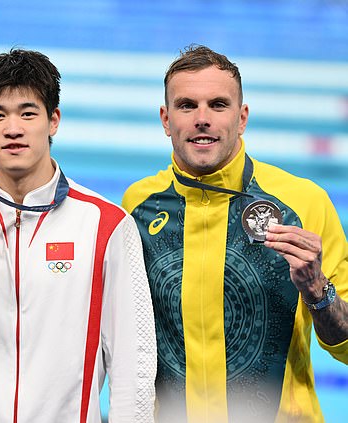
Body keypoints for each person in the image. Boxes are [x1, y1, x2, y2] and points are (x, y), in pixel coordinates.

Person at [0, 49, 157, 422]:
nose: (13, 128)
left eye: (28, 113)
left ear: (53, 121)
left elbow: (134, 364)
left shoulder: (105, 224)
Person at [122, 44, 348, 422]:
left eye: (218, 105)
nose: (202, 119)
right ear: (165, 119)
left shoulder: (303, 202)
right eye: (187, 105)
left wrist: (317, 291)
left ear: (241, 118)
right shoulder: (138, 205)